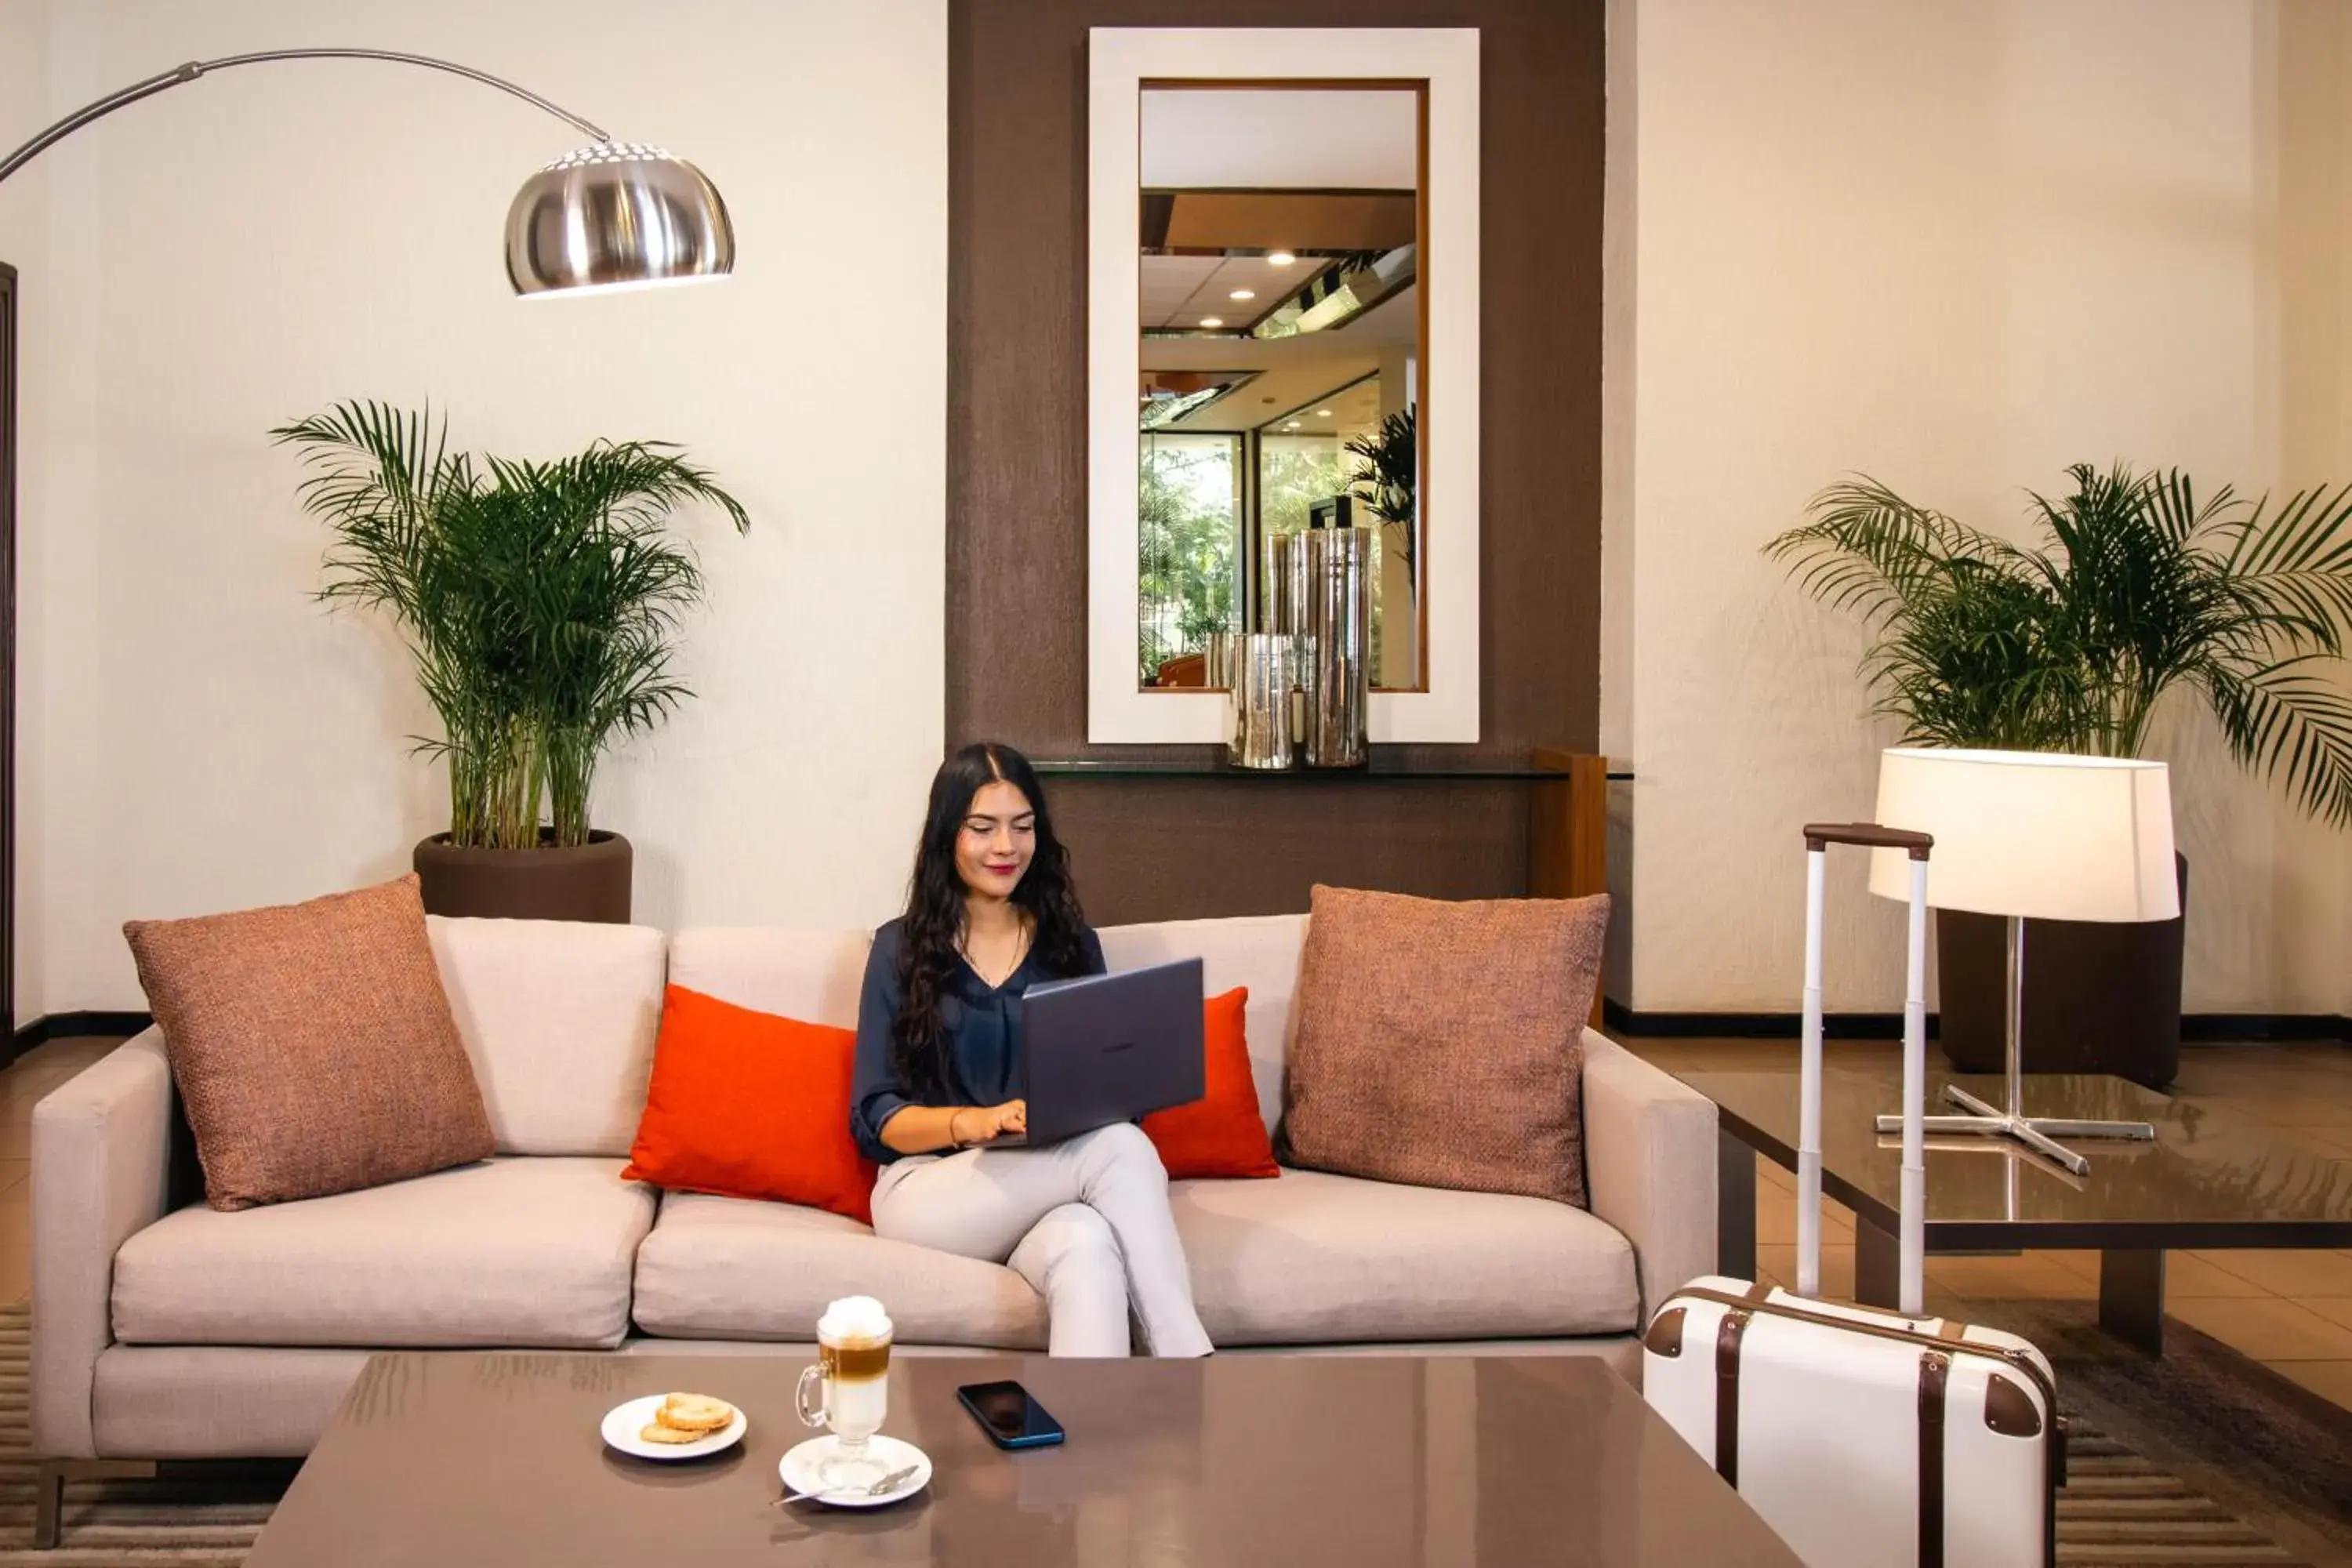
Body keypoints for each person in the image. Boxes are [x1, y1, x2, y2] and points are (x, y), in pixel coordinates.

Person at [851, 742, 1213, 1358]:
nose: (1006, 847)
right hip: (929, 1192)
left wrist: (1112, 1094)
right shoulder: (899, 948)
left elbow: (1110, 1096)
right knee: (1121, 1149)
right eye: (983, 828)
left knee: (1088, 1248)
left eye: (1023, 827)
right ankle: (1189, 1365)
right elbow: (874, 1119)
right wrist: (978, 1122)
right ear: (947, 834)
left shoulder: (1071, 945)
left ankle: (1091, 1448)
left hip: (1045, 1188)